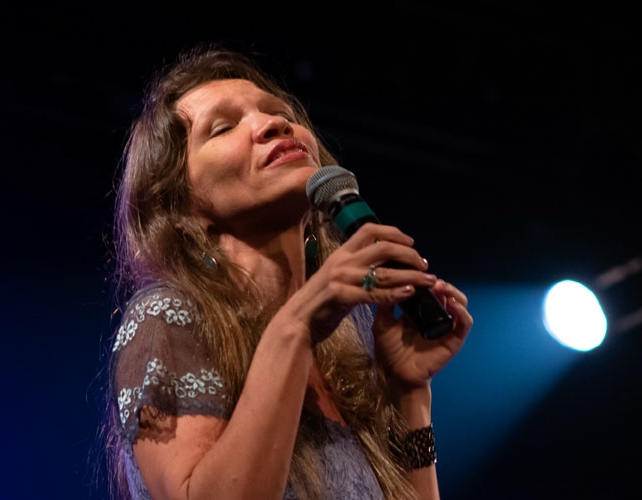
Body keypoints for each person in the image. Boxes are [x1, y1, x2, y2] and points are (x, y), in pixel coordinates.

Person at [100, 43, 473, 500]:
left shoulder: (339, 363)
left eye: (278, 112)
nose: (274, 124)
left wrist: (408, 394)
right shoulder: (168, 317)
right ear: (182, 209)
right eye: (223, 127)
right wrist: (296, 324)